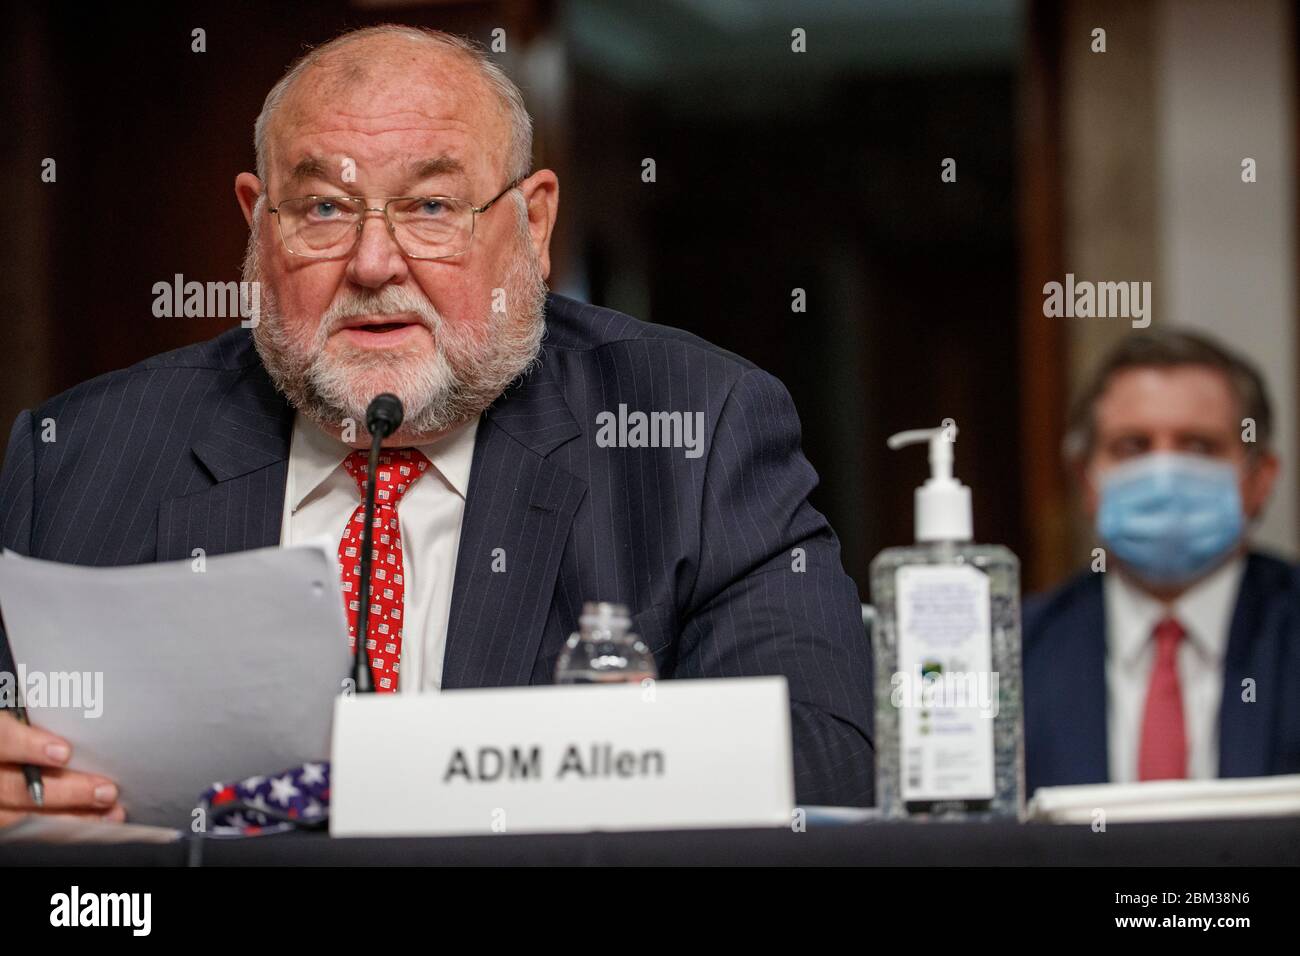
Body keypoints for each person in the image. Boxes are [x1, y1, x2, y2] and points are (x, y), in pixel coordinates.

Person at [0, 25, 873, 825]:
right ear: (259, 225)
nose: (375, 266)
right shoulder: (76, 460)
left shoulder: (693, 434)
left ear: (532, 225)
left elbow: (824, 767)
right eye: (325, 211)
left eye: (430, 208)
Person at [1024, 330, 1300, 793]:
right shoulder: (1018, 653)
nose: (1164, 473)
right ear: (1086, 480)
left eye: (1199, 446)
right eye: (1133, 447)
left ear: (1260, 478)